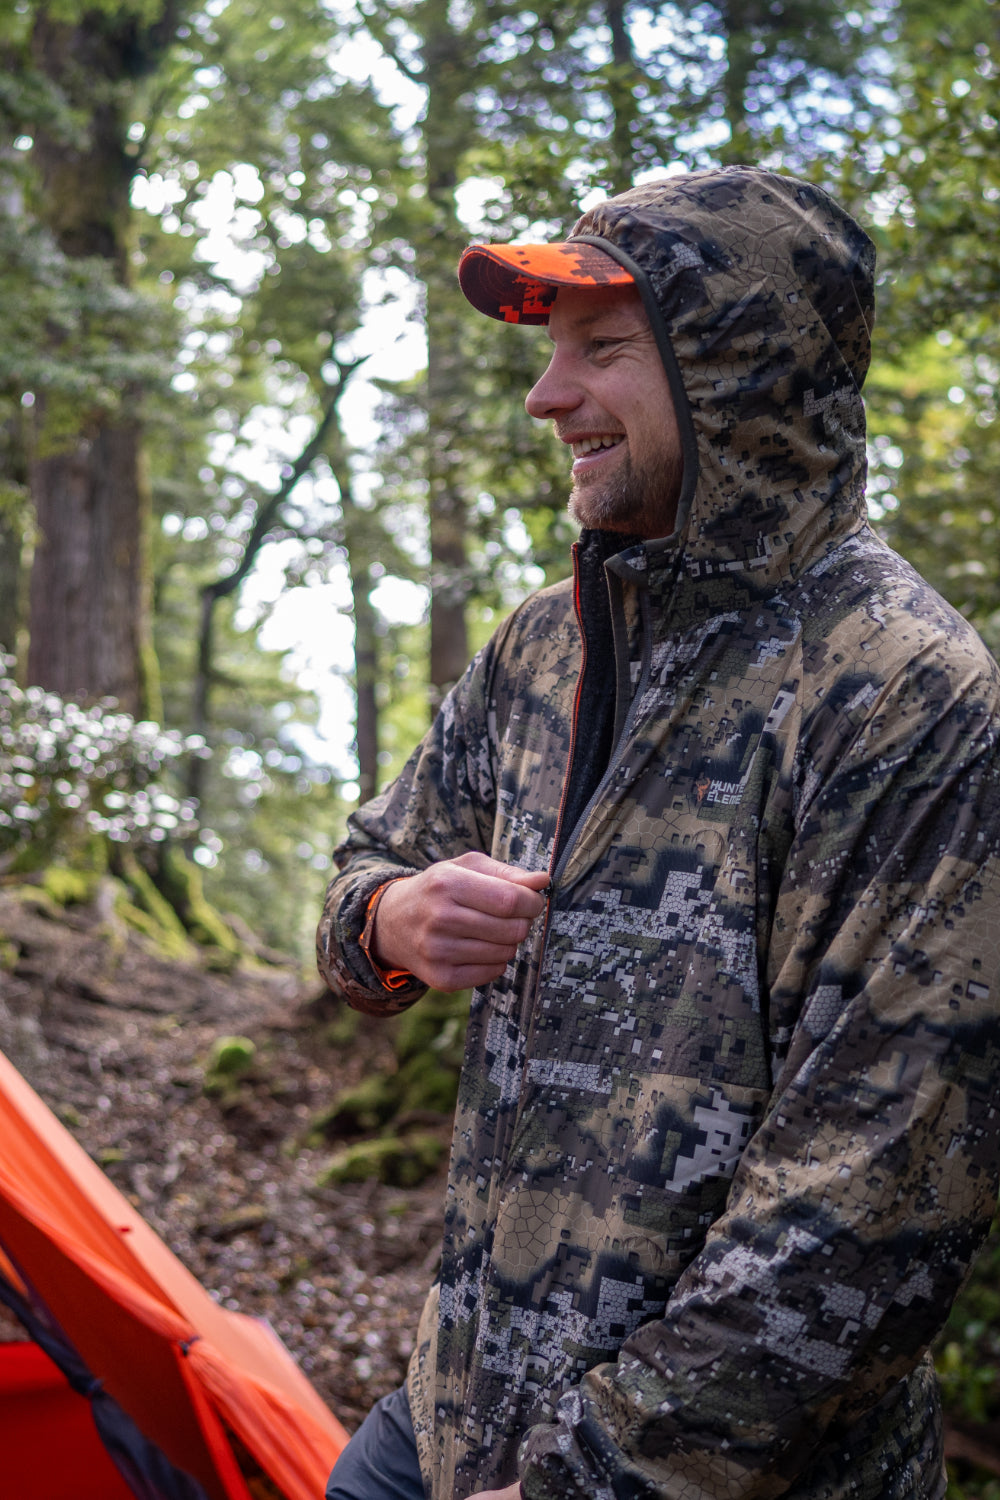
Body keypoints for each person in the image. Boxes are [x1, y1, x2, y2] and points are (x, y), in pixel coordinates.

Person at [316, 166, 1000, 1500]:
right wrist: (389, 921)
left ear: (736, 369)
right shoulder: (541, 645)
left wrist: (596, 1479)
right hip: (451, 1415)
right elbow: (364, 879)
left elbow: (875, 1197)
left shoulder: (907, 694)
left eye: (603, 350)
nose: (546, 396)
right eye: (551, 353)